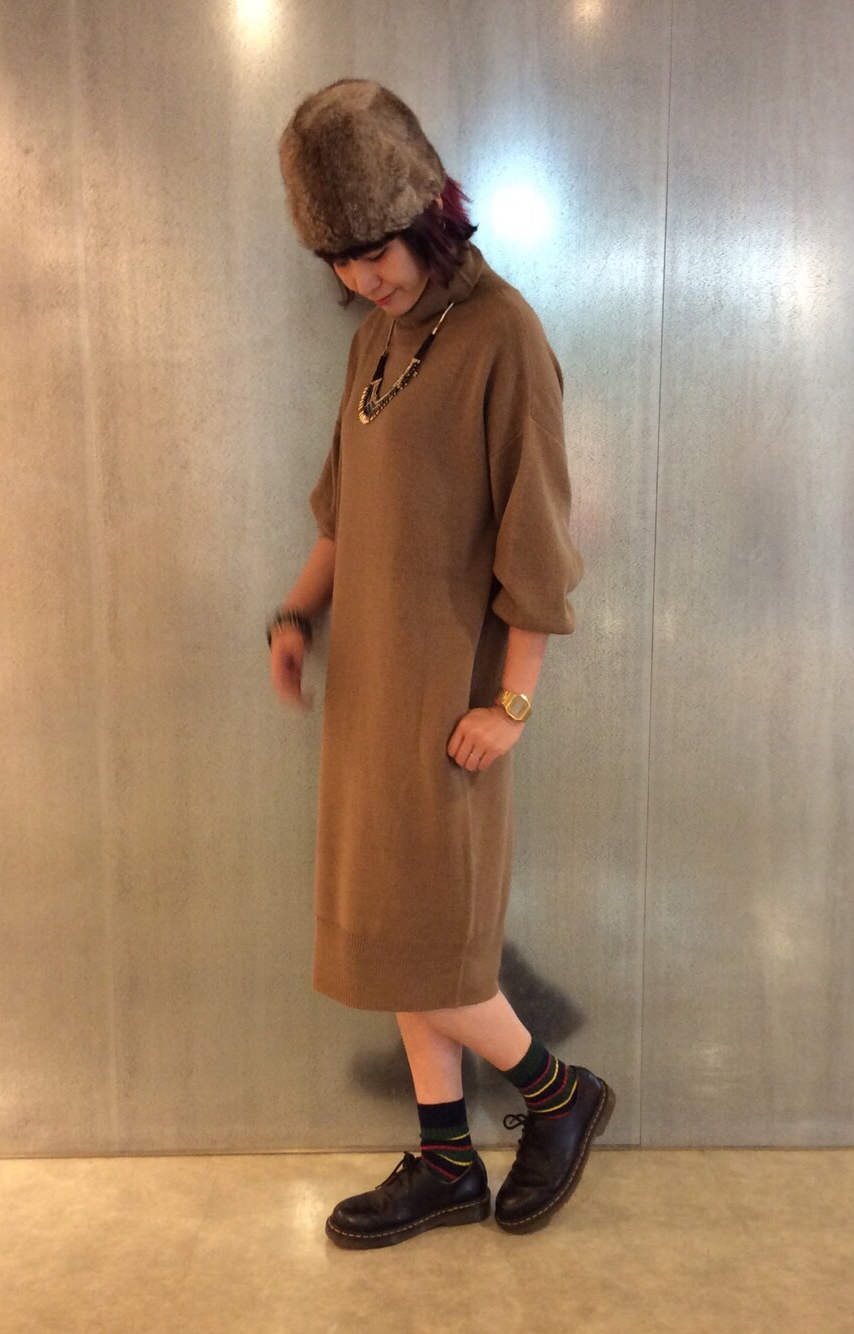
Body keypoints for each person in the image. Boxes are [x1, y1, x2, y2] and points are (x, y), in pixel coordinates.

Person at [269, 79, 614, 1250]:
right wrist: (294, 615)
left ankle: (561, 1095)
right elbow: (342, 512)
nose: (361, 277)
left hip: (448, 698)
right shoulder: (373, 342)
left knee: (437, 944)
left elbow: (538, 536)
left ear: (426, 213)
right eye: (340, 258)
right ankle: (446, 1158)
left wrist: (512, 700)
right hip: (368, 694)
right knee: (394, 937)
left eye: (374, 250)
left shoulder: (502, 333)